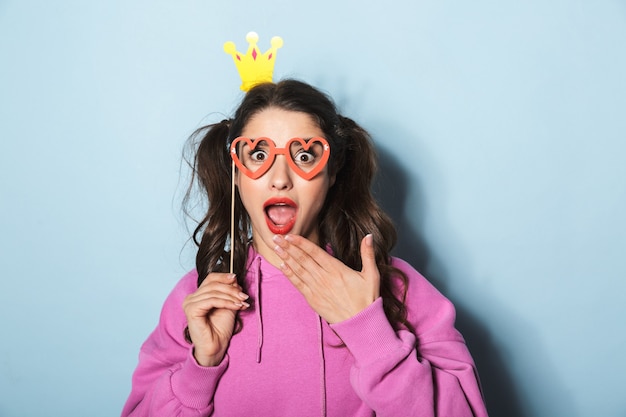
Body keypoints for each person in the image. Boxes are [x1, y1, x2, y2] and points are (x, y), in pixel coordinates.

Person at [121, 79, 488, 417]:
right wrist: (200, 367)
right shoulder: (197, 298)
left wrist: (369, 332)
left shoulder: (398, 288)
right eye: (258, 155)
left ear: (333, 173)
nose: (280, 178)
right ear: (235, 172)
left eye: (305, 156)